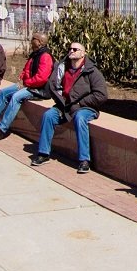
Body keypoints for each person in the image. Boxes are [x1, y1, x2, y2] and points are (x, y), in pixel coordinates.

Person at [31, 40, 107, 173]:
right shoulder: (62, 68)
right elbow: (53, 86)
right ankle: (43, 153)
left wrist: (80, 103)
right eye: (70, 49)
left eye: (75, 49)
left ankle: (84, 160)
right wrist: (61, 100)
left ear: (83, 54)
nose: (71, 51)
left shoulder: (92, 72)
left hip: (85, 107)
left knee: (80, 118)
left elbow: (101, 95)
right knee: (48, 115)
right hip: (64, 106)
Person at [0, 32, 54, 137]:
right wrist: (22, 78)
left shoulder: (45, 56)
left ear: (40, 42)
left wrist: (26, 83)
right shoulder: (35, 54)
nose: (31, 40)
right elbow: (27, 69)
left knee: (16, 96)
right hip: (28, 84)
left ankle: (2, 128)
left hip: (39, 89)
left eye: (34, 38)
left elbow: (42, 78)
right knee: (4, 92)